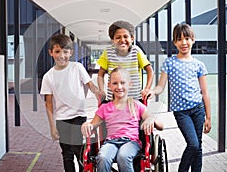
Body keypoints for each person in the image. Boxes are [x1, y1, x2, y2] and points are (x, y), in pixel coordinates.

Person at [147, 24, 212, 172]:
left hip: (198, 110)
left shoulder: (199, 65)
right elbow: (160, 86)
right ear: (174, 42)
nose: (184, 42)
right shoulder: (169, 63)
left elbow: (205, 92)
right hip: (181, 113)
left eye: (187, 38)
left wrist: (208, 116)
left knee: (198, 147)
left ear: (193, 40)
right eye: (179, 39)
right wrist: (152, 91)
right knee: (193, 144)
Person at [40, 34, 105, 172]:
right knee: (67, 154)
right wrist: (52, 127)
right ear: (51, 53)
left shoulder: (77, 67)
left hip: (78, 116)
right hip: (61, 119)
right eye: (57, 51)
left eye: (65, 51)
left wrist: (97, 91)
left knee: (78, 150)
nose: (62, 55)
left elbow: (89, 84)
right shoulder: (48, 76)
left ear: (71, 52)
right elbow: (49, 103)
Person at [81, 67, 163, 172]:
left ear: (130, 84)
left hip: (131, 142)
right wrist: (86, 125)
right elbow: (92, 125)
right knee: (102, 158)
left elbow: (161, 126)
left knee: (123, 156)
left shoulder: (136, 105)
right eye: (115, 83)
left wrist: (151, 119)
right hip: (110, 142)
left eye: (123, 83)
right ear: (109, 86)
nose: (119, 87)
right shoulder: (105, 107)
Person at [97, 20, 154, 101]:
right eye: (118, 37)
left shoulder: (136, 51)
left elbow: (150, 71)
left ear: (132, 39)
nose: (122, 40)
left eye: (125, 36)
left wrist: (147, 89)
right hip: (114, 99)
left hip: (134, 99)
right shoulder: (108, 52)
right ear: (112, 40)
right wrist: (101, 90)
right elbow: (100, 74)